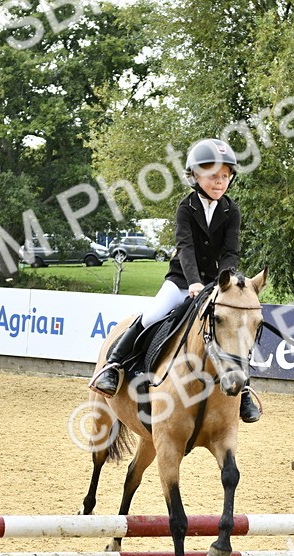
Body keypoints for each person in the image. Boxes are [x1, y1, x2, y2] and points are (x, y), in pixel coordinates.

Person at [89, 138, 260, 423]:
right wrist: (193, 282)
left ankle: (243, 392)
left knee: (235, 328)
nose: (219, 182)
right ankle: (114, 365)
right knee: (152, 315)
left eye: (225, 176)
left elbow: (231, 251)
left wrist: (225, 283)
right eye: (212, 176)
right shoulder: (186, 207)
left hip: (217, 286)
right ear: (195, 176)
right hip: (182, 280)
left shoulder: (232, 210)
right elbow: (186, 248)